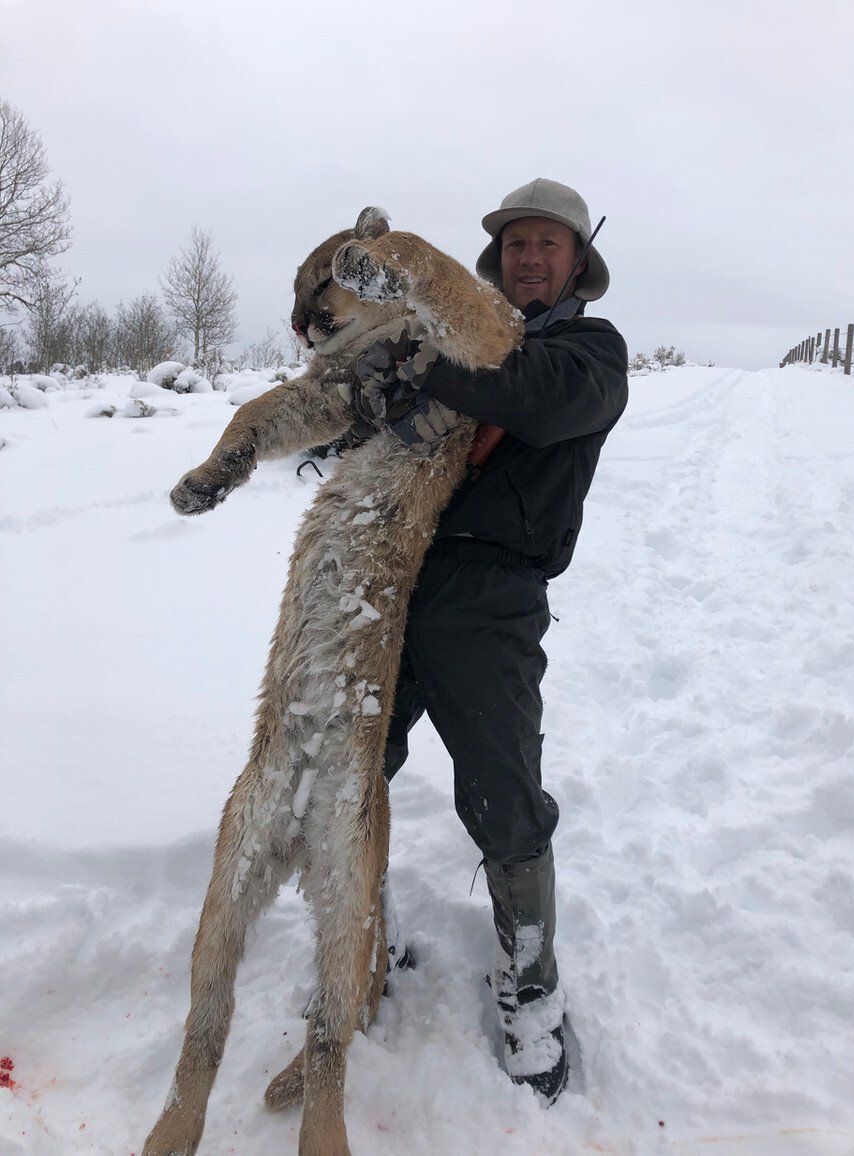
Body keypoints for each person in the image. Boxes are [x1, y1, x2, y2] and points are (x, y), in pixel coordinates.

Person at [351, 178, 628, 1105]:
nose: (530, 258)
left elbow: (532, 397)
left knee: (506, 803)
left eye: (548, 244)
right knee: (355, 772)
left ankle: (530, 996)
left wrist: (415, 360)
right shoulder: (454, 338)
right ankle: (358, 945)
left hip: (493, 600)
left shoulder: (591, 351)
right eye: (516, 245)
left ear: (577, 261)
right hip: (395, 580)